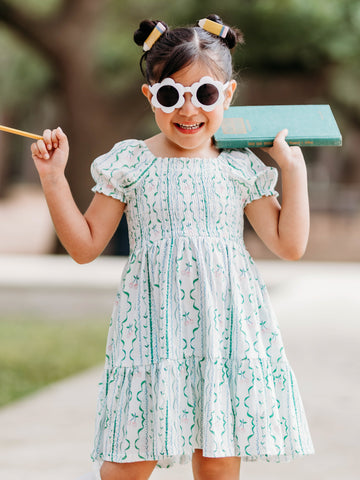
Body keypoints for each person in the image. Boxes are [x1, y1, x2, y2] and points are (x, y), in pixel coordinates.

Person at [31, 14, 314, 480]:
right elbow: (84, 247)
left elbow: (290, 244)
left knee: (219, 462)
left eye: (204, 94)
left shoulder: (240, 166)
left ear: (227, 96)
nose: (188, 111)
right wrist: (52, 178)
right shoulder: (130, 163)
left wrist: (294, 170)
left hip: (224, 330)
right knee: (126, 465)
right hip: (150, 330)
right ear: (151, 96)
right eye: (171, 95)